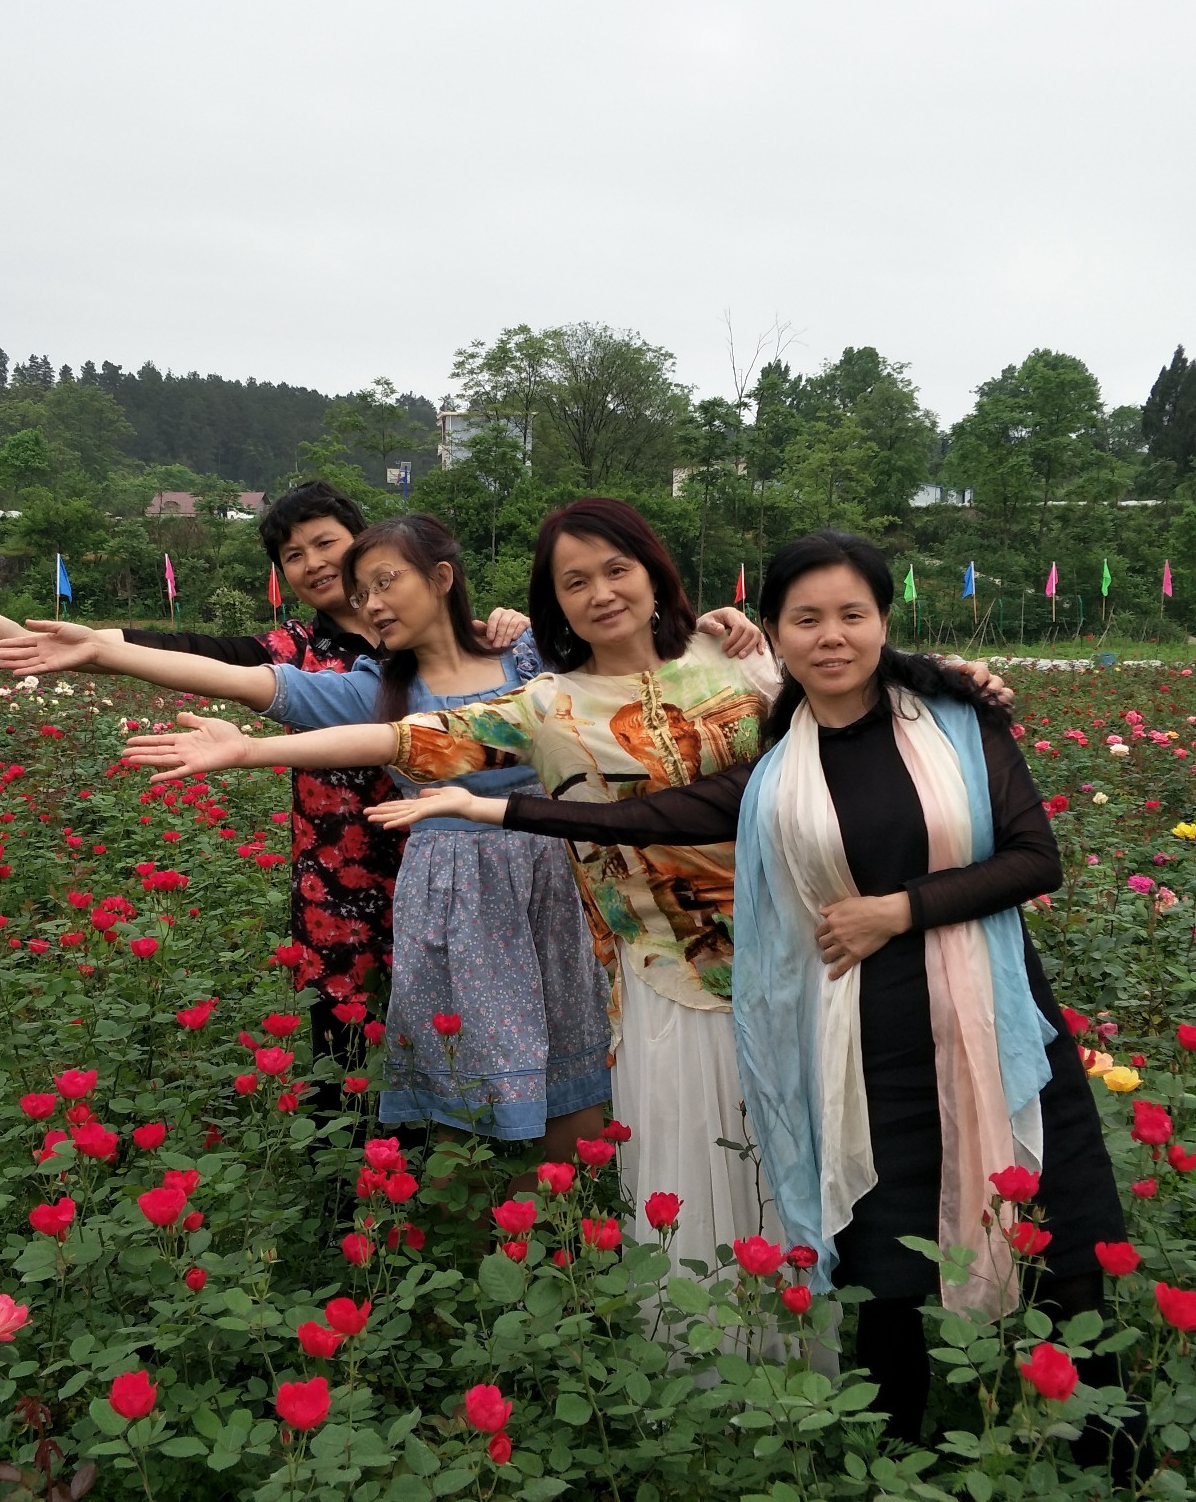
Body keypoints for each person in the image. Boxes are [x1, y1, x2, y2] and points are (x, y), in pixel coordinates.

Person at [371, 531, 1128, 1464]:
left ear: (884, 621)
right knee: (888, 1262)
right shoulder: (776, 765)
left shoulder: (959, 720)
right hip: (862, 1039)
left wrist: (897, 911)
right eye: (805, 619)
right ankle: (891, 1461)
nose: (832, 637)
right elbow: (643, 817)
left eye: (853, 614)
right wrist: (484, 805)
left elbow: (1032, 858)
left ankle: (1101, 1450)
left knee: (1061, 1230)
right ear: (771, 635)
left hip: (998, 1024)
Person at [115, 501, 1012, 1288]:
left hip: (810, 952)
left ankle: (835, 1337)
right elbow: (400, 736)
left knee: (825, 1159)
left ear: (652, 573)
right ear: (556, 604)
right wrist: (247, 750)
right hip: (669, 977)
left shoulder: (738, 656)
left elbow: (848, 668)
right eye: (574, 581)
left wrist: (956, 685)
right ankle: (711, 1367)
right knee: (702, 1176)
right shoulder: (546, 705)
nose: (600, 591)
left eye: (615, 568)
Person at [0, 513, 615, 1164]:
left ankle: (568, 1238)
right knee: (466, 1098)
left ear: (440, 578)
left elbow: (642, 657)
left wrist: (730, 632)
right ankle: (490, 1241)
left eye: (384, 582)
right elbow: (249, 678)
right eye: (361, 595)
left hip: (551, 881)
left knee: (570, 1083)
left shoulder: (528, 655)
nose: (370, 605)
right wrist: (102, 651)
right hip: (455, 899)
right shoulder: (380, 691)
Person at [0, 483, 524, 1069]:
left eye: (325, 543)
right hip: (341, 868)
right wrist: (45, 641)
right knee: (340, 1042)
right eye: (293, 556)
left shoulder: (466, 643)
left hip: (457, 861)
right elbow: (187, 651)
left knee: (464, 1023)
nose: (313, 564)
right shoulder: (294, 651)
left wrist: (510, 628)